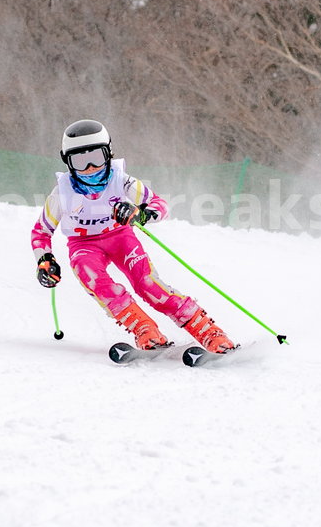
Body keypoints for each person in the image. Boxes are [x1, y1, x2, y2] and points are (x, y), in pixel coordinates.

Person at [30, 119, 235, 353]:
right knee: (97, 282)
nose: (89, 168)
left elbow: (161, 205)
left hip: (120, 237)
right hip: (83, 245)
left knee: (148, 284)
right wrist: (44, 260)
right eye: (79, 160)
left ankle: (209, 332)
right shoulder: (62, 192)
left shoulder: (121, 180)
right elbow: (41, 231)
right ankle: (145, 329)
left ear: (108, 154)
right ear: (66, 161)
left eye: (96, 157)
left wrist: (141, 214)